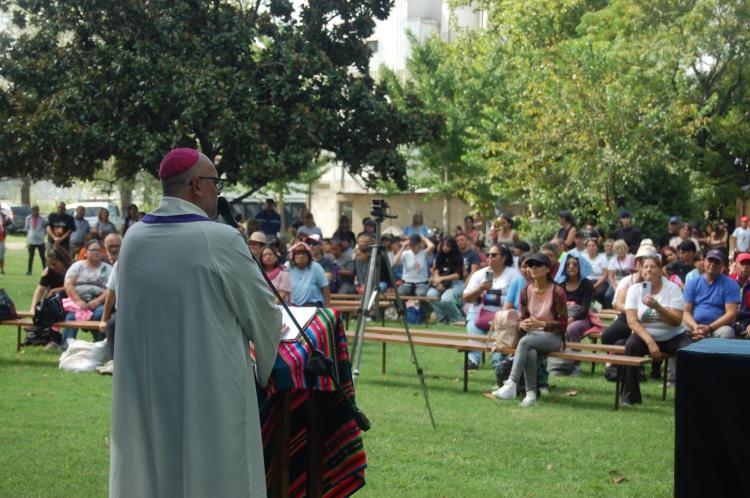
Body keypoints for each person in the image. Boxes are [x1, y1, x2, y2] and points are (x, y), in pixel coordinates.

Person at [110, 148, 282, 498]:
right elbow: (263, 311)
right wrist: (267, 366)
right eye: (216, 183)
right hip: (209, 387)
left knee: (152, 471)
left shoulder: (133, 239)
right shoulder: (219, 238)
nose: (219, 192)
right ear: (197, 185)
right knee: (215, 471)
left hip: (146, 387)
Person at [493, 253, 567, 407]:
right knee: (530, 351)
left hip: (553, 337)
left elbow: (563, 324)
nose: (532, 268)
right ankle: (531, 394)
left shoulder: (557, 291)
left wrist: (541, 324)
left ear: (547, 269)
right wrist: (523, 324)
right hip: (532, 336)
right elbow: (524, 317)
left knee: (526, 342)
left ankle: (512, 383)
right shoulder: (526, 291)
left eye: (537, 264)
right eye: (530, 265)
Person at [620, 254, 689, 405]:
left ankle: (686, 397)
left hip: (672, 336)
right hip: (645, 335)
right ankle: (630, 396)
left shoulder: (673, 288)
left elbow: (676, 321)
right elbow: (632, 321)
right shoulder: (634, 289)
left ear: (660, 270)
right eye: (645, 267)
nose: (649, 270)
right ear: (641, 270)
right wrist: (650, 342)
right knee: (631, 346)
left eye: (653, 266)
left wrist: (657, 307)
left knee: (687, 352)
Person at [462, 244, 520, 369]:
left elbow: (517, 299)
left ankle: (498, 363)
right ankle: (473, 361)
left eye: (494, 255)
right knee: (473, 329)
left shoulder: (513, 274)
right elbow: (466, 297)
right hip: (478, 313)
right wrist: (480, 289)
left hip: (502, 317)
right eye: (488, 255)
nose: (489, 258)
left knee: (498, 338)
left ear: (503, 258)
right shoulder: (479, 274)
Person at [61, 238, 113, 350]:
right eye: (93, 250)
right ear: (85, 252)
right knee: (71, 317)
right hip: (78, 302)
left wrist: (98, 301)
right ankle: (66, 348)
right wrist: (78, 301)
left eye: (99, 250)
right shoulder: (78, 266)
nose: (96, 252)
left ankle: (100, 346)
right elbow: (68, 285)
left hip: (98, 302)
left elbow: (111, 289)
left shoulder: (108, 269)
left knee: (99, 314)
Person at [683, 249, 740, 340]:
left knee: (726, 333)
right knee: (680, 330)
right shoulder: (692, 283)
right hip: (694, 326)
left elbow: (731, 314)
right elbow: (686, 311)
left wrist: (709, 328)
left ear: (723, 266)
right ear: (704, 262)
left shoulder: (731, 285)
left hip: (718, 327)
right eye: (710, 260)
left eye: (717, 262)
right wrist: (695, 327)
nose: (712, 264)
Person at [29, 246, 72, 349]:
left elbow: (75, 286)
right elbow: (40, 290)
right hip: (54, 301)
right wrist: (33, 307)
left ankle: (57, 340)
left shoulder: (73, 269)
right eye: (50, 264)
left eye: (55, 264)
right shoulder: (48, 271)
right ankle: (50, 338)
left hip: (71, 299)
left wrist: (56, 290)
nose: (52, 267)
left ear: (63, 261)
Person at [96, 234, 122, 375]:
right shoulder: (119, 265)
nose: (113, 249)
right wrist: (104, 319)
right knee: (111, 323)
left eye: (116, 246)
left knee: (112, 323)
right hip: (123, 311)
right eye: (110, 247)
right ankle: (112, 362)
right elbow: (110, 293)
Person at [427, 236, 464, 324]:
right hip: (441, 283)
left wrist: (441, 278)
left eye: (448, 246)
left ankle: (457, 319)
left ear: (452, 246)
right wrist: (438, 281)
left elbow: (458, 275)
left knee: (446, 299)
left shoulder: (458, 257)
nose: (445, 247)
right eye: (443, 245)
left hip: (456, 283)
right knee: (430, 294)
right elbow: (435, 270)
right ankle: (442, 318)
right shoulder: (440, 256)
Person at [288, 241, 331, 307]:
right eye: (298, 254)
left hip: (313, 304)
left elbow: (325, 287)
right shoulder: (288, 266)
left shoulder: (316, 267)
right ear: (293, 256)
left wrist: (328, 307)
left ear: (309, 256)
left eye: (304, 254)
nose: (301, 256)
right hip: (292, 305)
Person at [581, 238, 611, 308]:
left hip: (600, 282)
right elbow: (581, 272)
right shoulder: (583, 257)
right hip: (586, 281)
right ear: (586, 248)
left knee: (598, 293)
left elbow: (605, 275)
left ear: (597, 247)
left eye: (593, 246)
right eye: (589, 246)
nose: (591, 248)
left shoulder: (602, 258)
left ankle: (599, 308)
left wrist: (595, 286)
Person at [732, 252, 750, 337]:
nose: (745, 267)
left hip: (747, 322)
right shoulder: (728, 282)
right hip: (729, 321)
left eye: (748, 264)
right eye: (742, 264)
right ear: (735, 266)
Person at [25, 205, 47, 276]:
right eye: (33, 210)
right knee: (31, 257)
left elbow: (45, 228)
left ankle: (45, 270)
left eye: (36, 210)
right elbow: (27, 228)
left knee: (43, 256)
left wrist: (42, 234)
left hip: (40, 240)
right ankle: (29, 271)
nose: (34, 212)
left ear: (38, 211)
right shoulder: (28, 218)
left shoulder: (42, 219)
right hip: (31, 239)